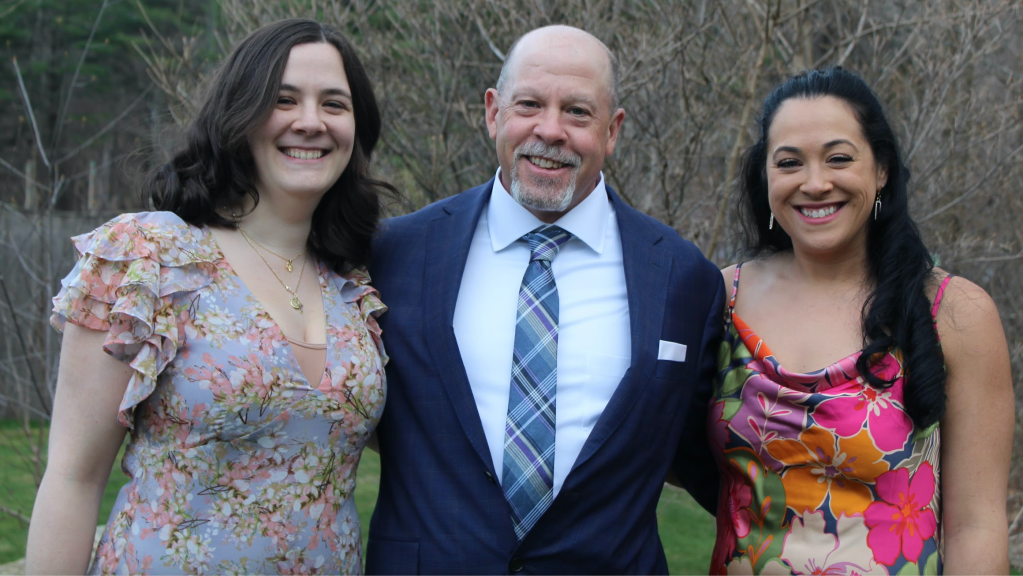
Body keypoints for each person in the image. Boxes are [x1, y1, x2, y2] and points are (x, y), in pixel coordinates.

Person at [25, 18, 395, 575]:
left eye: (334, 104)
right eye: (284, 99)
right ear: (239, 114)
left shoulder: (354, 290)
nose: (310, 121)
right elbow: (73, 478)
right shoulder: (150, 258)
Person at [366, 25, 723, 574]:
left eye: (577, 112)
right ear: (493, 112)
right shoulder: (396, 254)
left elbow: (714, 460)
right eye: (529, 104)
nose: (550, 130)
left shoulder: (684, 279)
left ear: (612, 130)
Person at [710, 67, 1013, 574]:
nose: (815, 183)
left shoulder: (954, 311)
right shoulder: (721, 298)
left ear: (882, 170)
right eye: (789, 162)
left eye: (839, 158)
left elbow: (975, 526)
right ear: (765, 177)